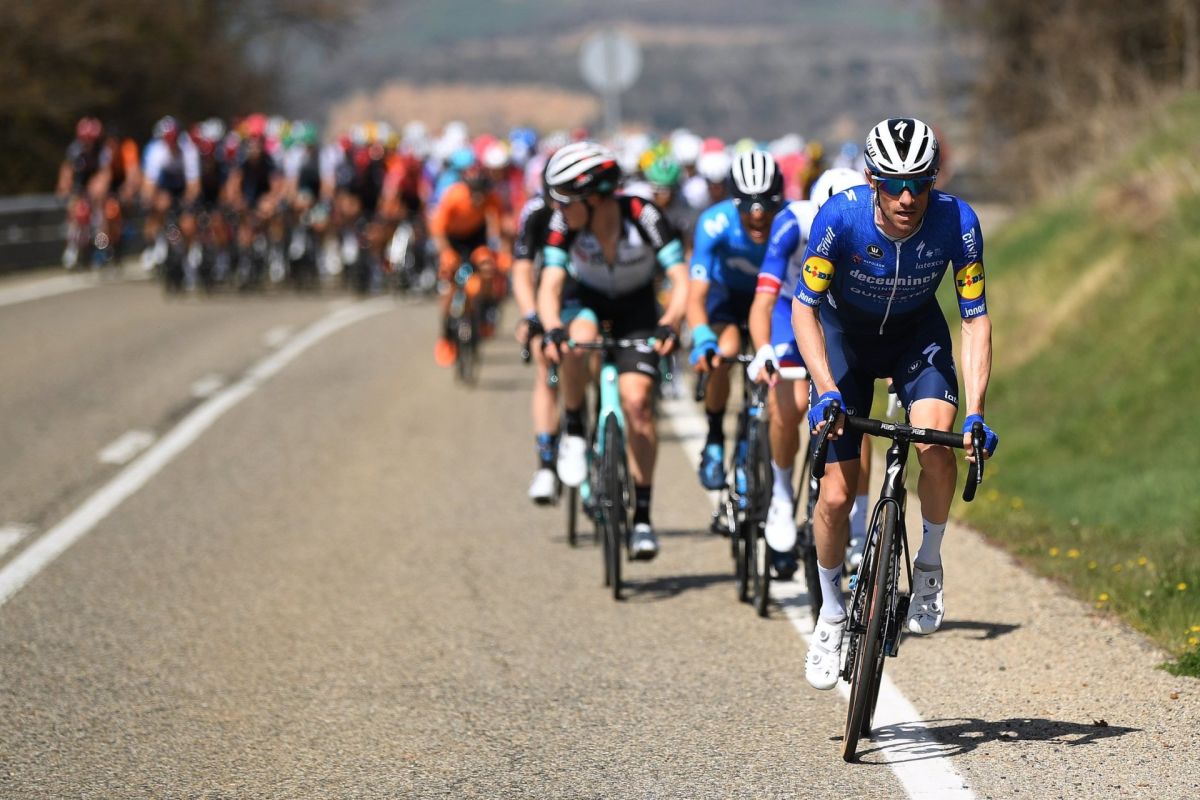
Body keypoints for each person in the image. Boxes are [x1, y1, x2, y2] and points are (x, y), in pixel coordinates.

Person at [792, 118, 998, 690]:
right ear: (872, 180)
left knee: (936, 444)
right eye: (894, 184)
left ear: (934, 180)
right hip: (847, 343)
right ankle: (831, 613)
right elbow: (805, 308)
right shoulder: (840, 218)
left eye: (920, 183)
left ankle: (927, 563)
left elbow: (975, 318)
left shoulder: (958, 221)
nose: (908, 198)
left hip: (915, 340)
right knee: (836, 495)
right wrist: (825, 387)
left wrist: (976, 411)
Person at [538, 142, 688, 560]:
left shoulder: (643, 214)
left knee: (638, 403)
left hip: (637, 308)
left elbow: (680, 279)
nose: (558, 208)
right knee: (576, 340)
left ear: (595, 198)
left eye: (565, 200)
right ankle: (572, 430)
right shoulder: (563, 223)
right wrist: (551, 328)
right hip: (585, 299)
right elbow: (550, 285)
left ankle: (642, 518)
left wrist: (670, 322)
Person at [749, 166, 864, 575]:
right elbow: (763, 300)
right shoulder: (790, 224)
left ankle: (859, 524)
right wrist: (764, 349)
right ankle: (782, 495)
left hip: (837, 315)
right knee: (791, 403)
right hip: (788, 308)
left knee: (855, 413)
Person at [688, 151, 784, 506]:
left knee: (776, 365)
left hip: (772, 301)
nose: (757, 215)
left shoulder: (790, 220)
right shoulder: (714, 223)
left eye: (767, 204)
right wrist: (702, 338)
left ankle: (753, 440)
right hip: (726, 297)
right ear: (734, 201)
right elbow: (695, 297)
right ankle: (715, 436)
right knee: (724, 354)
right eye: (748, 206)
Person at [511, 175, 560, 504]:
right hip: (545, 295)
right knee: (546, 367)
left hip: (583, 297)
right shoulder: (535, 213)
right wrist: (530, 314)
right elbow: (522, 270)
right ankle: (545, 463)